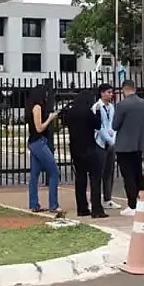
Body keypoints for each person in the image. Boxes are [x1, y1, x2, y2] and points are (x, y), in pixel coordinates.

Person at [62, 89, 106, 218]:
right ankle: (97, 209)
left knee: (80, 178)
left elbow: (64, 122)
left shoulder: (71, 112)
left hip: (75, 149)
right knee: (95, 178)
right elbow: (97, 125)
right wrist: (98, 113)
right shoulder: (87, 112)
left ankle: (82, 208)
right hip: (89, 148)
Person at [112, 79, 144, 216]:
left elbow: (115, 125)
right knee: (138, 174)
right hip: (139, 144)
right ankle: (143, 202)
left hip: (124, 146)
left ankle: (132, 205)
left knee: (128, 175)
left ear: (124, 89)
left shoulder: (121, 105)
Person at [26, 85, 61, 212]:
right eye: (45, 94)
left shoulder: (32, 106)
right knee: (54, 171)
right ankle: (53, 204)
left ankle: (34, 204)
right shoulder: (37, 107)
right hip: (38, 142)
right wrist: (50, 119)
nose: (46, 96)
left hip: (35, 142)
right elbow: (39, 128)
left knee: (34, 174)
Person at [90, 83, 120, 209]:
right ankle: (95, 200)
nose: (111, 95)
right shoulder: (96, 107)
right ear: (102, 93)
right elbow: (99, 127)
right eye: (108, 92)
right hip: (100, 143)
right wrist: (108, 139)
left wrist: (113, 137)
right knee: (98, 172)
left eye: (111, 92)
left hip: (111, 142)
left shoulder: (111, 107)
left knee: (109, 171)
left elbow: (112, 123)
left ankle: (108, 199)